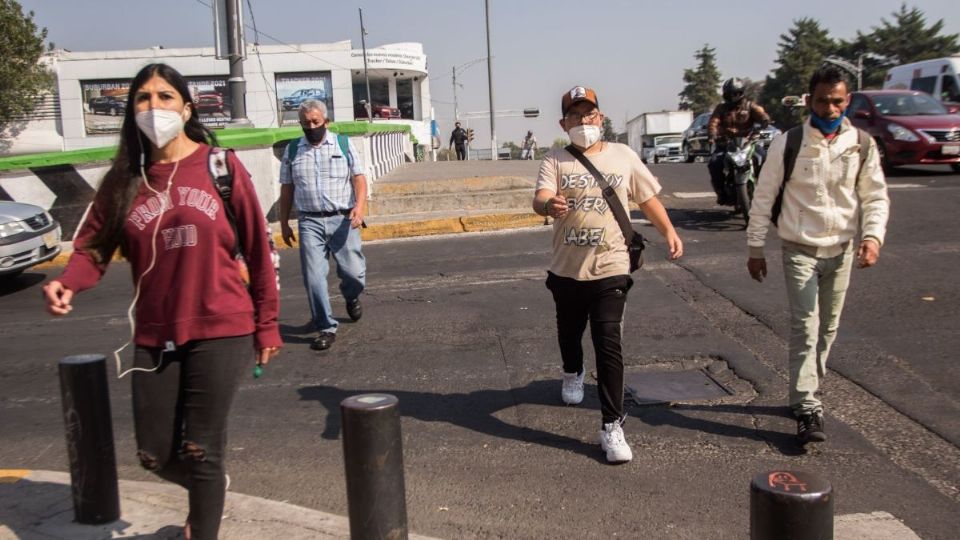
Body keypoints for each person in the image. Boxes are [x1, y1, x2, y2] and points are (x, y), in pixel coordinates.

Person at [42, 63, 281, 540]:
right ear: (132, 113)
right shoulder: (123, 182)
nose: (154, 107)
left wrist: (267, 322)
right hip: (155, 331)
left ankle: (203, 519)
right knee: (153, 453)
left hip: (223, 326)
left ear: (187, 107)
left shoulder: (221, 167)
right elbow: (92, 248)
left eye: (165, 96)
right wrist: (69, 281)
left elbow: (258, 249)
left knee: (201, 449)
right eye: (143, 99)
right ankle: (209, 490)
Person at [532, 86, 684, 463]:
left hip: (611, 266)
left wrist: (668, 231)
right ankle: (572, 371)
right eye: (576, 116)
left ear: (600, 117)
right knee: (569, 333)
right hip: (567, 269)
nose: (584, 122)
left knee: (607, 342)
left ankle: (611, 425)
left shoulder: (623, 155)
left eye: (590, 115)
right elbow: (540, 198)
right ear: (563, 123)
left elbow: (646, 198)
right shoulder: (555, 159)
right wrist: (548, 204)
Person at [746, 65, 889, 445]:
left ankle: (806, 387)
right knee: (806, 326)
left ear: (848, 100)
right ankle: (808, 405)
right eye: (822, 100)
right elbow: (763, 197)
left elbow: (874, 196)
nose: (829, 107)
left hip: (840, 250)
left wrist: (872, 237)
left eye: (837, 101)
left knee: (827, 328)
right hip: (799, 249)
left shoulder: (860, 143)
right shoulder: (789, 142)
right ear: (810, 100)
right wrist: (755, 247)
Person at [279, 99, 367, 352]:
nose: (311, 126)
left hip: (343, 219)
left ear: (326, 122)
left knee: (354, 273)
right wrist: (284, 223)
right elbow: (287, 188)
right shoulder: (293, 150)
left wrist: (359, 208)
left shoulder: (343, 143)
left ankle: (351, 295)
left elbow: (359, 180)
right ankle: (326, 327)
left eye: (316, 122)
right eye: (306, 123)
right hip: (310, 221)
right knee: (314, 278)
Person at [707, 77, 771, 205]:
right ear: (725, 94)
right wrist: (712, 135)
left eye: (736, 93)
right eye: (730, 93)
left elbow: (763, 116)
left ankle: (767, 189)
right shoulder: (721, 108)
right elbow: (713, 122)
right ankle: (721, 193)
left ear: (741, 93)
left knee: (764, 158)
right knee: (714, 163)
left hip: (748, 142)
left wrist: (764, 122)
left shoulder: (750, 106)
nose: (733, 96)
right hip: (727, 144)